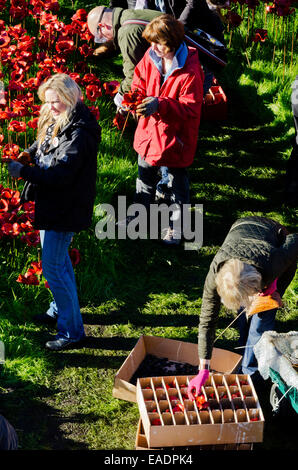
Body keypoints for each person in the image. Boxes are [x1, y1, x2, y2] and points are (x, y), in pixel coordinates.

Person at [7, 74, 101, 351]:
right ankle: (59, 310)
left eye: (55, 101)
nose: (50, 106)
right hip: (51, 202)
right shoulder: (59, 118)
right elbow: (45, 142)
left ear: (70, 97)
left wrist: (24, 171)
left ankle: (72, 332)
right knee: (59, 264)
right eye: (47, 102)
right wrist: (28, 153)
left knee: (53, 267)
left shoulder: (81, 131)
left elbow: (61, 174)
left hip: (66, 206)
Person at [187, 216, 298, 399]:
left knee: (261, 322)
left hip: (272, 237)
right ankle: (244, 347)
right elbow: (206, 322)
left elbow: (294, 240)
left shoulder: (273, 262)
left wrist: (276, 287)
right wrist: (203, 370)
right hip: (241, 227)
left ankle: (251, 375)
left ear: (257, 285)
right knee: (244, 312)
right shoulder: (216, 274)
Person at [126, 14, 204, 245]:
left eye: (159, 43)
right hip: (149, 132)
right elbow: (138, 84)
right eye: (152, 42)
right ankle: (139, 218)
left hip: (175, 138)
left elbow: (190, 109)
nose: (154, 48)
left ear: (173, 41)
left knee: (176, 184)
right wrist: (132, 100)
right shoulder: (149, 58)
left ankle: (176, 227)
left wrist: (161, 104)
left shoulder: (190, 71)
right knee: (144, 177)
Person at [87, 5, 162, 108]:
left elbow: (135, 75)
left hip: (186, 65)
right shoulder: (130, 14)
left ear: (103, 25)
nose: (105, 40)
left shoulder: (127, 32)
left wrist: (121, 95)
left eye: (100, 36)